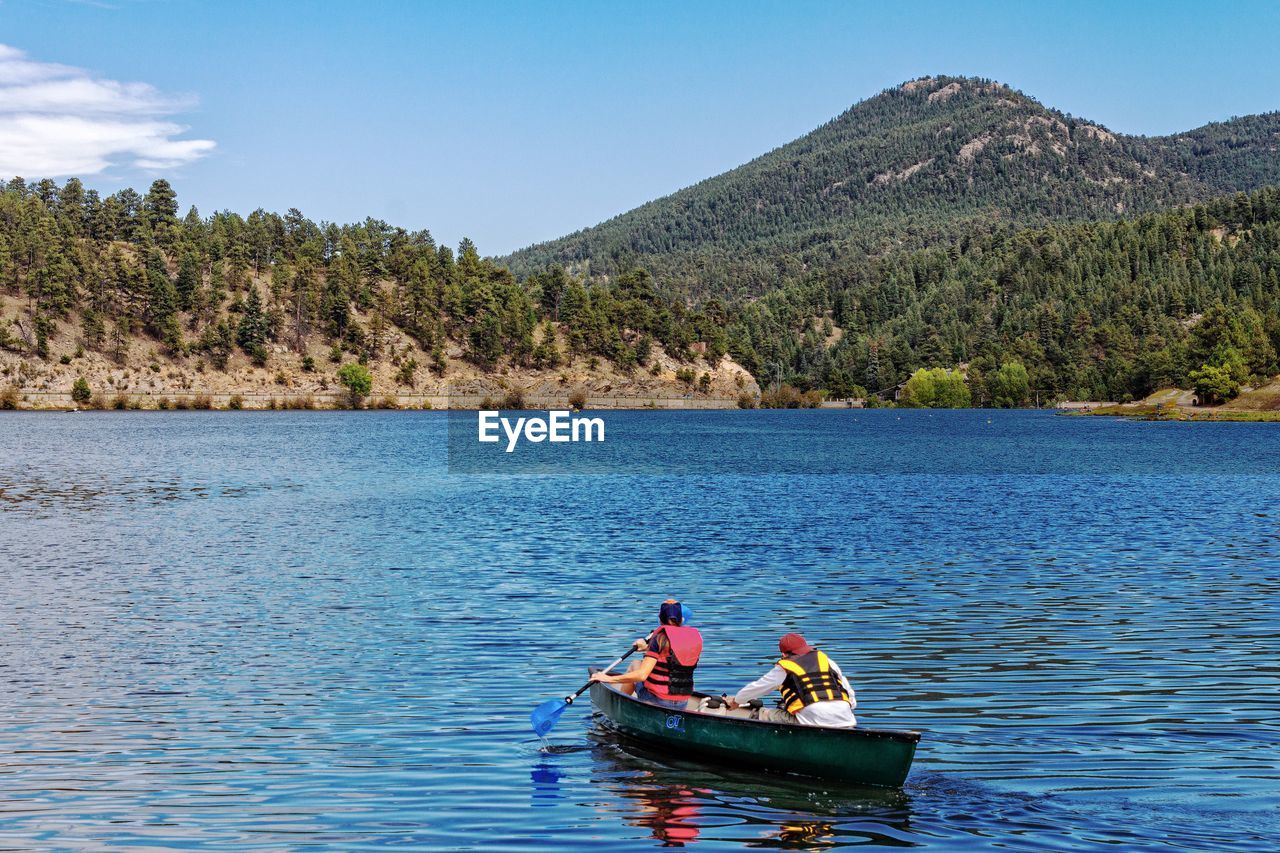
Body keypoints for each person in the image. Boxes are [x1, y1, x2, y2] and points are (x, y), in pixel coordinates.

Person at [590, 599, 702, 710]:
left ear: (660, 619)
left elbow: (642, 675)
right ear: (680, 620)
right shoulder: (695, 639)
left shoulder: (659, 639)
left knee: (635, 664)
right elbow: (672, 657)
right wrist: (647, 648)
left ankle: (620, 706)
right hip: (682, 702)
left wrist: (607, 678)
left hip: (658, 701)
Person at [726, 633, 856, 727]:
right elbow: (850, 697)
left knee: (764, 714)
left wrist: (737, 701)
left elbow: (758, 687)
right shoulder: (827, 661)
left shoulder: (785, 666)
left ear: (783, 654)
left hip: (813, 723)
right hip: (847, 720)